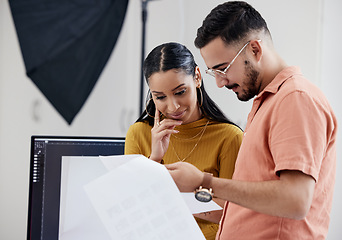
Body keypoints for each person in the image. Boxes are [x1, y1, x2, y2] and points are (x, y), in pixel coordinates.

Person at [165, 1, 338, 240]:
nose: (219, 82)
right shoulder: (269, 102)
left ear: (255, 50)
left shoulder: (296, 98)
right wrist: (178, 195)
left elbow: (296, 201)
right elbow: (245, 207)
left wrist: (203, 182)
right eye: (213, 72)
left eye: (223, 68)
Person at [125, 42, 243, 239]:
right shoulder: (139, 134)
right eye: (160, 97)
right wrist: (154, 159)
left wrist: (174, 196)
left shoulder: (229, 137)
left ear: (197, 77)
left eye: (180, 92)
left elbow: (234, 213)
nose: (173, 106)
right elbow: (131, 209)